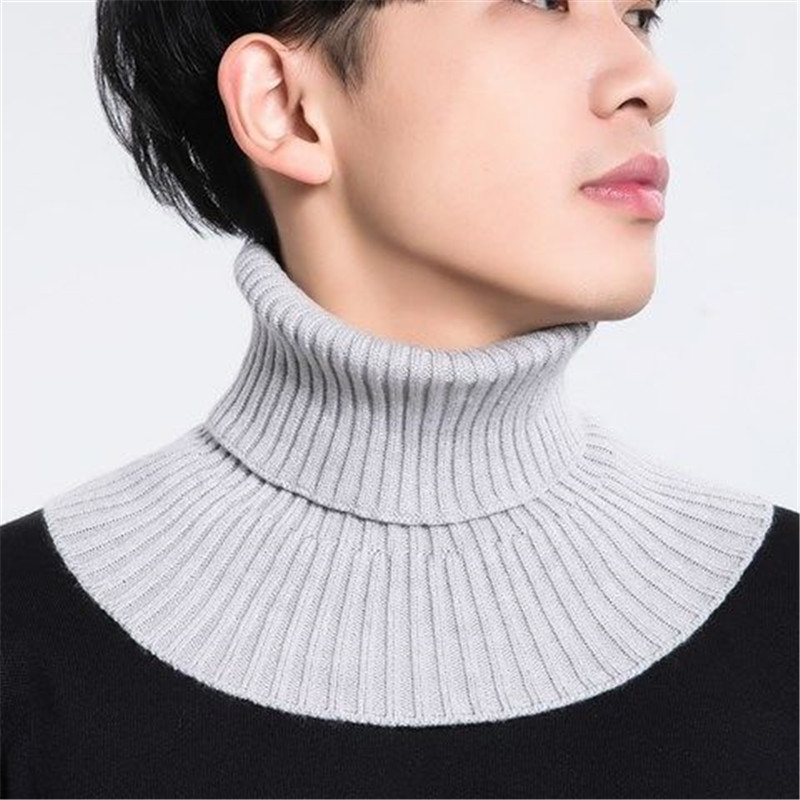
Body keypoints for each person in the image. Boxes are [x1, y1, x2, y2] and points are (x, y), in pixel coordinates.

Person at [2, 1, 797, 797]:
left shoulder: (783, 618)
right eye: (542, 2)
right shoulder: (23, 644)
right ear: (285, 108)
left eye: (640, 16)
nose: (650, 81)